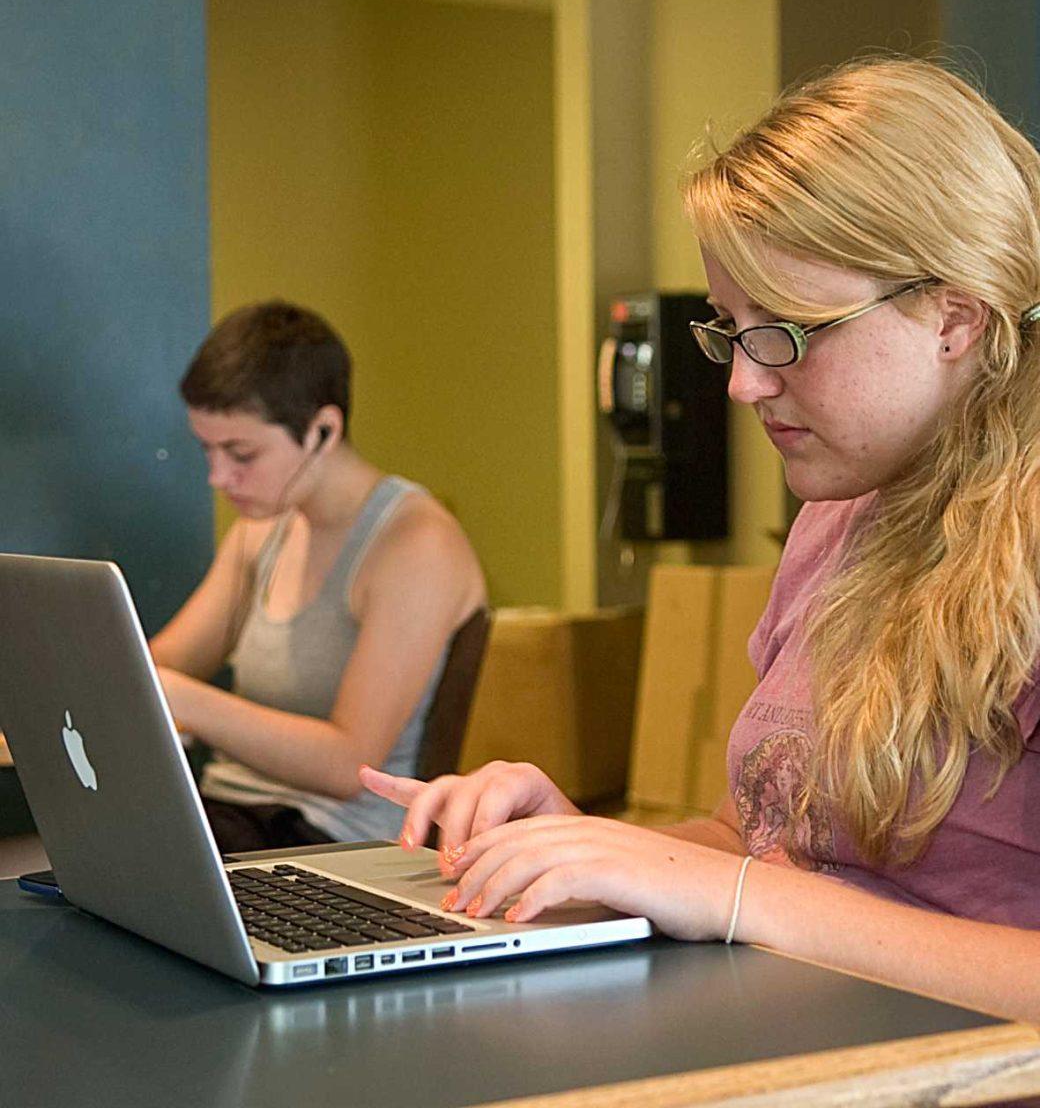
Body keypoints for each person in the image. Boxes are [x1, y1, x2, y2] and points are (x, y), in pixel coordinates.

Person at [360, 56, 1040, 1021]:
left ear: (955, 319)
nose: (743, 384)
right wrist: (595, 853)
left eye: (790, 333)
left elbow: (761, 893)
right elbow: (760, 843)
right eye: (731, 329)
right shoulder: (839, 523)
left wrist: (730, 894)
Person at [150, 300, 486, 852]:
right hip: (225, 814)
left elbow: (347, 763)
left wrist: (185, 702)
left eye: (241, 453)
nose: (218, 476)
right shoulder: (262, 533)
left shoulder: (417, 544)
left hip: (329, 837)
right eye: (207, 450)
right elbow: (160, 668)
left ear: (322, 431)